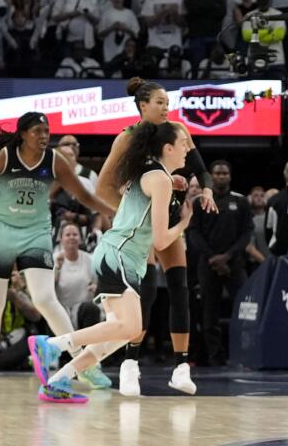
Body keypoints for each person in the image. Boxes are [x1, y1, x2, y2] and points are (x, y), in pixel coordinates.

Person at [28, 121, 195, 403]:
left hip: (119, 256)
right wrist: (185, 222)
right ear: (167, 148)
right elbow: (161, 240)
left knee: (119, 333)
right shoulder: (160, 179)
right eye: (183, 143)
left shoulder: (154, 174)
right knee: (129, 328)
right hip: (119, 255)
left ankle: (57, 381)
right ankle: (52, 344)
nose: (188, 148)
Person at [0, 112, 117, 391]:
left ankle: (83, 364)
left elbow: (82, 195)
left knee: (45, 299)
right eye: (38, 131)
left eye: (47, 131)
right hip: (0, 231)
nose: (44, 136)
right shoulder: (5, 157)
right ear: (23, 134)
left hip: (35, 232)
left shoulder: (56, 160)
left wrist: (109, 212)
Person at [95, 77, 218, 396]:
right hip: (141, 227)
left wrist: (205, 188)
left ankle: (180, 367)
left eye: (168, 102)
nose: (166, 107)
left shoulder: (178, 131)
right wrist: (128, 213)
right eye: (159, 102)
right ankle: (129, 364)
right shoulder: (127, 138)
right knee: (145, 291)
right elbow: (104, 186)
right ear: (142, 106)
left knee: (180, 287)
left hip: (170, 214)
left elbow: (199, 166)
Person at [187, 160, 252, 366]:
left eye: (225, 173)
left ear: (230, 177)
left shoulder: (240, 202)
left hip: (235, 264)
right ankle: (216, 356)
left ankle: (244, 353)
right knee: (209, 312)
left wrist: (227, 257)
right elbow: (194, 233)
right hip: (208, 264)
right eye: (217, 173)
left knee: (244, 308)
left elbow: (246, 233)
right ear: (211, 177)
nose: (221, 176)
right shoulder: (199, 202)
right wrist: (212, 257)